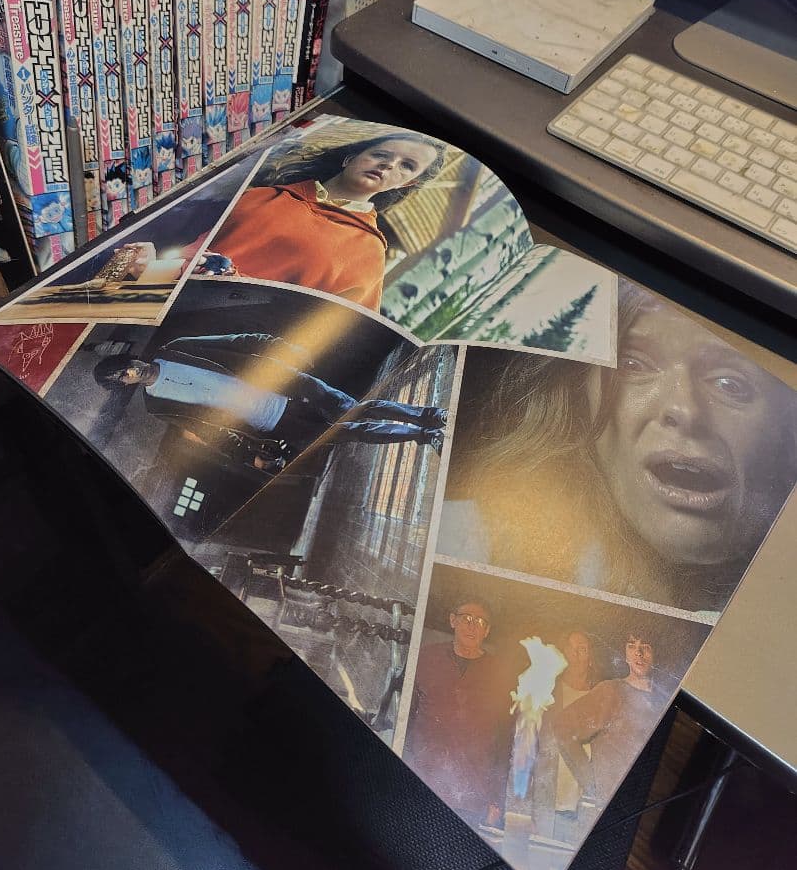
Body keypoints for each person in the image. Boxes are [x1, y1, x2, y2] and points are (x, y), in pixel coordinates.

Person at [457, 279, 797, 611]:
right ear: (578, 397)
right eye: (634, 364)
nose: (685, 410)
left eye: (729, 384)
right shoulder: (460, 540)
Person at [93, 332, 447, 475]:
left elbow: (237, 341)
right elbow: (206, 431)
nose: (130, 372)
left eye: (125, 365)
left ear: (131, 357)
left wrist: (283, 348)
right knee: (351, 432)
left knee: (356, 410)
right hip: (274, 424)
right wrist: (250, 457)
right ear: (123, 385)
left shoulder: (177, 347)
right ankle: (423, 435)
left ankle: (430, 416)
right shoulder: (157, 406)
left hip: (286, 385)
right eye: (121, 377)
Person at [200, 132, 446, 311]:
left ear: (407, 183)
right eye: (380, 154)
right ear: (351, 156)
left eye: (407, 165)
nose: (389, 164)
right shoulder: (260, 193)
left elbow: (334, 331)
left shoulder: (368, 251)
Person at [403, 597, 514, 832]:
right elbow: (405, 719)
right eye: (467, 618)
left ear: (487, 631)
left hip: (471, 792)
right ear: (453, 620)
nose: (472, 626)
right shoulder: (425, 657)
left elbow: (505, 740)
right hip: (424, 779)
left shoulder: (500, 674)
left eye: (480, 622)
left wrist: (497, 798)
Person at [552, 629, 666, 812]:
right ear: (625, 655)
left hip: (642, 804)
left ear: (656, 653)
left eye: (645, 647)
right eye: (631, 646)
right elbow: (562, 727)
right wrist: (590, 783)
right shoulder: (611, 691)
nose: (638, 653)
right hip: (604, 807)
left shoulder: (664, 699)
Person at [527, 630, 597, 841]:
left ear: (591, 657)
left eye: (582, 649)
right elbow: (527, 748)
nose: (575, 654)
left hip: (582, 807)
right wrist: (525, 808)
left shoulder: (600, 696)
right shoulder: (546, 691)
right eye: (570, 648)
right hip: (544, 804)